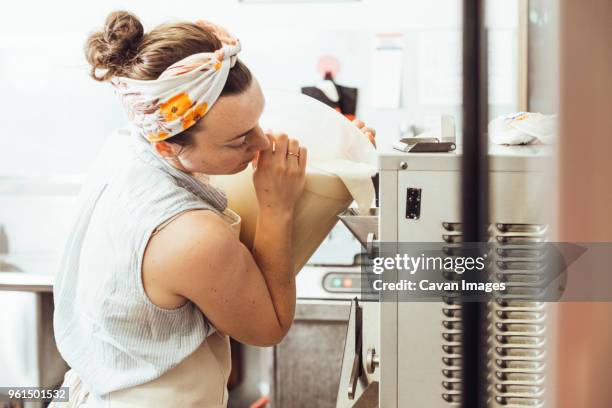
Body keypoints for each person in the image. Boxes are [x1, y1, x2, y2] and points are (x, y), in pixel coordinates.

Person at [51, 10, 375, 407]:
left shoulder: (127, 145)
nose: (260, 143)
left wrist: (339, 146)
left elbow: (225, 228)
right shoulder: (188, 235)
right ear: (168, 145)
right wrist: (276, 207)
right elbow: (267, 327)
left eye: (258, 121)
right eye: (239, 140)